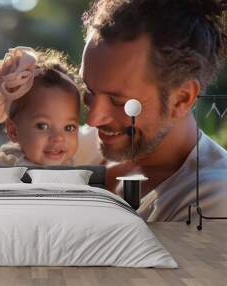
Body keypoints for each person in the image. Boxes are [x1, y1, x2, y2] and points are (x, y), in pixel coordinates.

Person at [80, 0, 227, 221]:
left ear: (182, 99)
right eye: (89, 90)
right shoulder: (85, 144)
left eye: (119, 101)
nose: (93, 119)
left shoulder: (212, 202)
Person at [0, 46, 88, 166]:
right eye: (42, 126)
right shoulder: (8, 167)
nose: (58, 137)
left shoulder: (72, 165)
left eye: (69, 127)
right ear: (13, 131)